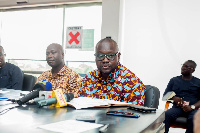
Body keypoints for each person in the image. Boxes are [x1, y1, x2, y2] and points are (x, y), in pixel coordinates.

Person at [78, 38, 145, 105]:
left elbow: (134, 113)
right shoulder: (89, 78)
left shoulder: (132, 82)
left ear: (118, 57)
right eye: (100, 56)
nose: (105, 60)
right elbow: (80, 105)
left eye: (110, 56)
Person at [163, 60, 200, 133]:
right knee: (165, 115)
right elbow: (165, 96)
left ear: (192, 70)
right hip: (177, 108)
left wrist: (191, 107)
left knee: (194, 119)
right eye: (183, 65)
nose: (183, 68)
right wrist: (174, 98)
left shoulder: (198, 82)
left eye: (186, 67)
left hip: (193, 109)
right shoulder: (174, 80)